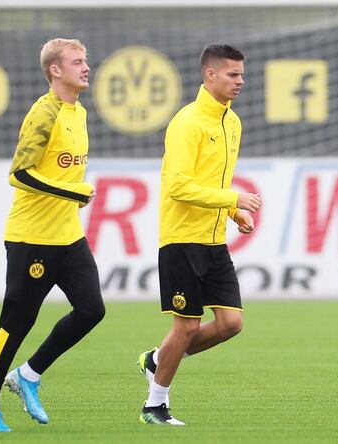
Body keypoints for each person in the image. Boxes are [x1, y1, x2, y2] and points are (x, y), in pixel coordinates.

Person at [0, 38, 104, 433]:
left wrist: (70, 196)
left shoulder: (77, 112)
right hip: (32, 239)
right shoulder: (43, 113)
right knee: (16, 324)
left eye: (86, 60)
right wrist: (73, 191)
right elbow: (19, 173)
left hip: (68, 237)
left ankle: (27, 375)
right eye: (77, 62)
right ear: (55, 71)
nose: (86, 67)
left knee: (92, 310)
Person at [137, 44, 261, 426]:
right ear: (210, 75)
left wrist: (232, 211)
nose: (240, 81)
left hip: (213, 240)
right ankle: (154, 406)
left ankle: (157, 360)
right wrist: (233, 196)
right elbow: (178, 187)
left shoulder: (232, 122)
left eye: (241, 74)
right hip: (181, 240)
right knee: (187, 326)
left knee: (230, 324)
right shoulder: (187, 123)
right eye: (232, 75)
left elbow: (211, 182)